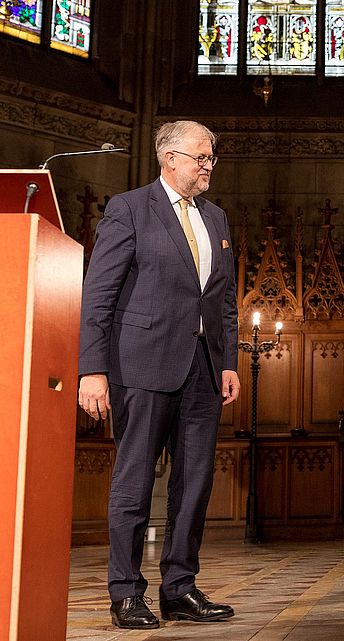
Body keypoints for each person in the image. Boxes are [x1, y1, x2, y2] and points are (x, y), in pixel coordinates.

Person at [78, 120, 240, 630]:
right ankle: (125, 592)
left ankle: (180, 587)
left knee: (194, 484)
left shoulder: (217, 218)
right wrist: (93, 369)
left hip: (203, 371)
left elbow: (225, 301)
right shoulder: (129, 209)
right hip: (142, 366)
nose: (208, 165)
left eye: (211, 157)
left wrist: (229, 361)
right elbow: (98, 295)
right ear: (169, 158)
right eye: (200, 157)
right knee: (133, 484)